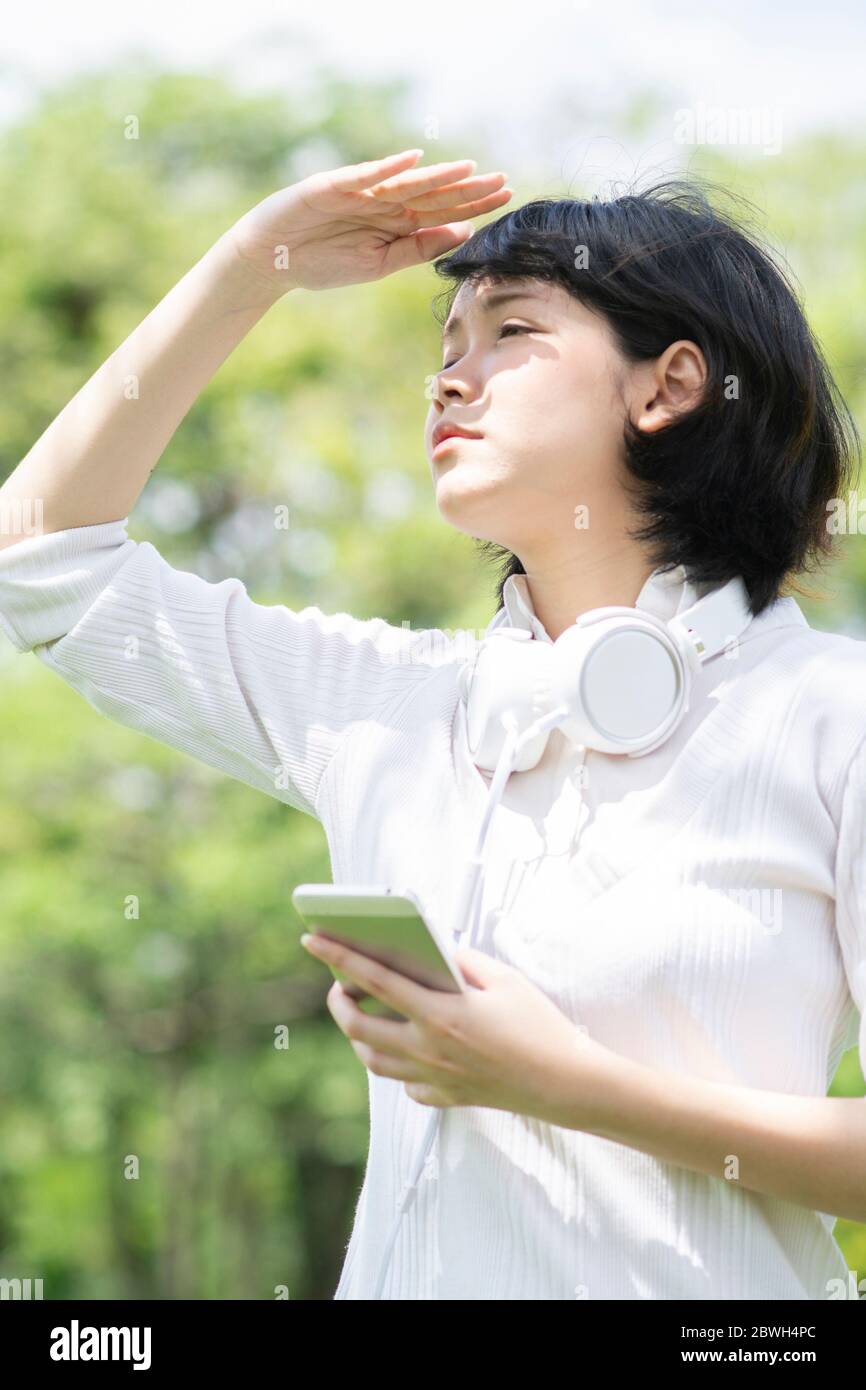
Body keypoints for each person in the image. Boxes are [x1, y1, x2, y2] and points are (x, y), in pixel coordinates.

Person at [0, 151, 865, 1302]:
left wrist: (561, 1082)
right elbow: (42, 557)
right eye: (444, 348)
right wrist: (245, 267)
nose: (449, 382)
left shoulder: (828, 714)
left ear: (666, 385)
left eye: (511, 333)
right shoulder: (392, 705)